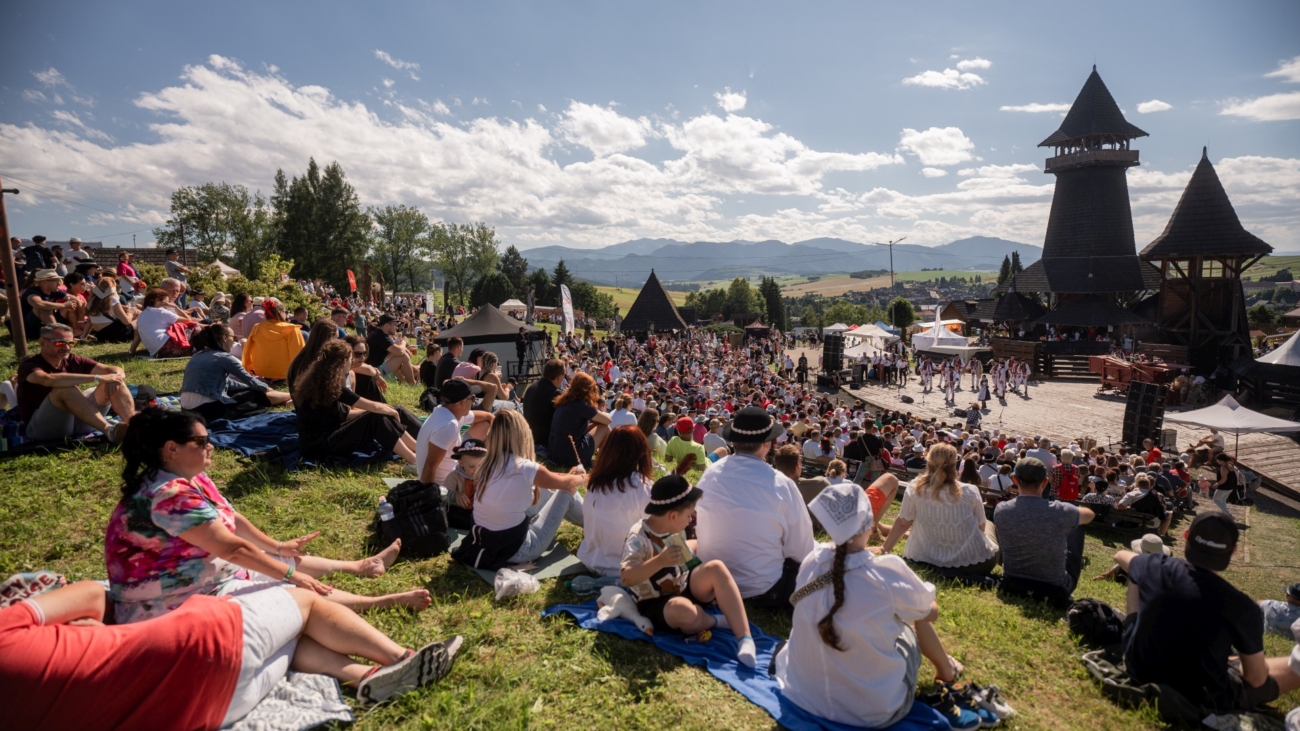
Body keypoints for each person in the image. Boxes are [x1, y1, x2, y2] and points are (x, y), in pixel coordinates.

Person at [105, 408, 431, 625]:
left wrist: (278, 545)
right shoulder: (169, 494)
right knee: (287, 582)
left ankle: (360, 567)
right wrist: (288, 573)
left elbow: (232, 518)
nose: (212, 447)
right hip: (163, 604)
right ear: (171, 448)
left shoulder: (189, 476)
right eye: (202, 442)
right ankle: (376, 603)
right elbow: (234, 550)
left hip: (190, 577)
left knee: (274, 560)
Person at [0, 580, 462, 730]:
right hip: (201, 645)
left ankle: (365, 676)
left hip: (211, 710)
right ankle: (401, 656)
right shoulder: (6, 629)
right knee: (300, 600)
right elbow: (97, 595)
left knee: (290, 638)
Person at [775, 482, 965, 729]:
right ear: (869, 523)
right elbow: (931, 612)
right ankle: (945, 669)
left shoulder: (812, 560)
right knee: (914, 619)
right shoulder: (886, 572)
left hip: (802, 694)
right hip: (871, 711)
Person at [1116, 512, 1300, 713]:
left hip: (1138, 668)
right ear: (1233, 551)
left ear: (1186, 536)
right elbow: (1255, 679)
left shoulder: (1155, 565)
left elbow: (1121, 555)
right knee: (1293, 666)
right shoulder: (1242, 606)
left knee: (1137, 573)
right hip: (1200, 696)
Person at [620, 474, 757, 666]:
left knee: (716, 568)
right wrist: (660, 561)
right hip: (654, 600)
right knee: (683, 610)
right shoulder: (639, 537)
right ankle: (714, 620)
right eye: (689, 514)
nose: (691, 519)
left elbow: (685, 556)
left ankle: (745, 639)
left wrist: (701, 556)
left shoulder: (676, 527)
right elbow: (626, 578)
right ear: (673, 515)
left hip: (682, 583)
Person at [695, 406, 814, 612]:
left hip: (711, 581)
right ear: (767, 444)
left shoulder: (710, 473)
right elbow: (802, 550)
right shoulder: (782, 484)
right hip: (763, 588)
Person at [453, 410, 586, 569]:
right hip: (520, 550)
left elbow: (549, 479)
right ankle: (598, 526)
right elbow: (564, 483)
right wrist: (585, 478)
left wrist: (564, 478)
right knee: (568, 492)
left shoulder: (485, 463)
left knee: (550, 490)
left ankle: (595, 524)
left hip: (485, 542)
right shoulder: (525, 467)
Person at [292, 341, 419, 466]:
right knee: (376, 416)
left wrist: (387, 410)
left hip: (323, 437)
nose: (352, 361)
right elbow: (373, 406)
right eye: (350, 358)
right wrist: (389, 411)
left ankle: (418, 450)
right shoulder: (327, 386)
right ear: (341, 362)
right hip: (319, 446)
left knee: (379, 413)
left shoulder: (322, 380)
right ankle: (415, 460)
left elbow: (345, 413)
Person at [879, 443, 999, 574]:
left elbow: (903, 522)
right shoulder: (970, 491)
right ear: (955, 464)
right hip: (975, 562)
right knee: (988, 524)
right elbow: (981, 528)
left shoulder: (915, 488)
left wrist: (884, 549)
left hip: (925, 557)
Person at [994, 457, 1094, 607]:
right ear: (1045, 482)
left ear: (1014, 479)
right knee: (1077, 525)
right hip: (1055, 587)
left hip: (1013, 580)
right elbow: (1090, 515)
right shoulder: (1061, 511)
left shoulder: (1001, 509)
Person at [16, 323, 134, 443]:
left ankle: (136, 428)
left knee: (114, 381)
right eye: (60, 343)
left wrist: (115, 377)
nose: (67, 348)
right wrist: (98, 378)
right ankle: (110, 431)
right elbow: (48, 379)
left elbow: (114, 369)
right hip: (43, 430)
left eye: (71, 343)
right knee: (65, 388)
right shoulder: (29, 365)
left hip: (79, 422)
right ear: (42, 342)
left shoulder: (72, 359)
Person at [577, 425, 655, 577]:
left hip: (589, 560)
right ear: (642, 451)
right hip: (622, 569)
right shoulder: (641, 485)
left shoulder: (596, 482)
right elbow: (656, 529)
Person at [180, 324, 292, 422]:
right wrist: (267, 388)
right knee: (256, 395)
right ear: (224, 338)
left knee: (245, 391)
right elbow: (250, 380)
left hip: (187, 410)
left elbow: (228, 382)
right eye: (233, 337)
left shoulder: (197, 355)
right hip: (207, 411)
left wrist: (248, 387)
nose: (234, 341)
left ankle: (286, 397)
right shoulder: (224, 357)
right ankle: (291, 396)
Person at [416, 379, 494, 486]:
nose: (473, 402)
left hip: (453, 474)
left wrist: (494, 427)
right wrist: (431, 497)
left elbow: (488, 416)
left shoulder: (445, 411)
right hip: (447, 486)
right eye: (472, 398)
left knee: (485, 424)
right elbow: (430, 466)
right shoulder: (448, 425)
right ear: (462, 403)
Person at [343, 334, 423, 436]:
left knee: (397, 411)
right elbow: (369, 370)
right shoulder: (341, 375)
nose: (363, 358)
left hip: (363, 412)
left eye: (365, 354)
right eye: (358, 354)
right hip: (351, 423)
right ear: (347, 353)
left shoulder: (352, 373)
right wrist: (376, 374)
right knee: (394, 411)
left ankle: (427, 435)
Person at [548, 372, 612, 470]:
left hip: (555, 455)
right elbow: (608, 420)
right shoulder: (582, 405)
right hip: (571, 458)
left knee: (597, 423)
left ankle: (600, 459)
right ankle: (604, 461)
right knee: (604, 427)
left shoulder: (564, 402)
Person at [242, 301, 306, 380]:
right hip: (285, 374)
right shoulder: (292, 329)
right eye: (286, 312)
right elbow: (299, 354)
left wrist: (248, 369)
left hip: (261, 372)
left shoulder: (257, 328)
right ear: (281, 312)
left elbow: (246, 350)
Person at [134, 288, 199, 357]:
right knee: (194, 326)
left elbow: (138, 335)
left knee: (178, 326)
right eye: (166, 302)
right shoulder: (161, 311)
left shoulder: (142, 314)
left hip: (156, 351)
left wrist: (131, 351)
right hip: (167, 349)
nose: (167, 304)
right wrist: (175, 307)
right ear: (157, 301)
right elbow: (188, 319)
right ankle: (199, 348)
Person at [20, 268, 78, 340]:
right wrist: (64, 305)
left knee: (69, 306)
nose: (59, 283)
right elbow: (39, 304)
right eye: (55, 280)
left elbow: (73, 298)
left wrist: (70, 302)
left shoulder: (54, 290)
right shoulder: (32, 292)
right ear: (44, 282)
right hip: (29, 328)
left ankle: (78, 330)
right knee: (44, 308)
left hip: (46, 326)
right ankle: (59, 335)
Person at [523, 358, 564, 452]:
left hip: (530, 438)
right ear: (558, 377)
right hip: (544, 442)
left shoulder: (531, 387)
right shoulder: (555, 393)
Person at [365, 313, 417, 385]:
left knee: (401, 355)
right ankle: (413, 384)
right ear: (387, 326)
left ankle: (406, 380)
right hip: (374, 374)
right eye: (395, 325)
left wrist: (406, 348)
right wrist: (404, 342)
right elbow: (400, 352)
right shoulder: (381, 336)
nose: (397, 328)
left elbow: (393, 352)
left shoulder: (378, 334)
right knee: (403, 356)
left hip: (373, 371)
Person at [83, 277, 136, 342]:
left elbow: (89, 321)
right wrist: (131, 312)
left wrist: (84, 336)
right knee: (139, 319)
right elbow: (126, 321)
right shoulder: (113, 299)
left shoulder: (92, 300)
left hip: (101, 336)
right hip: (116, 335)